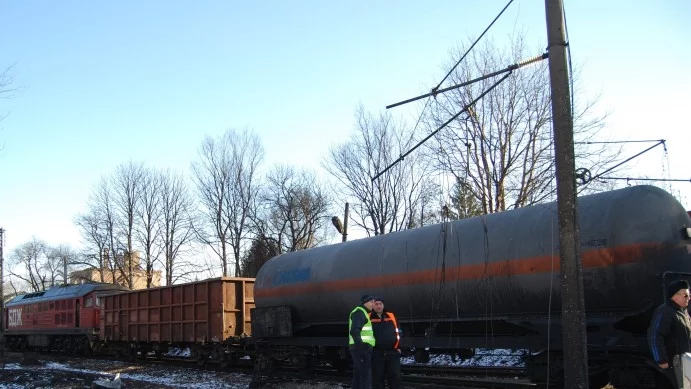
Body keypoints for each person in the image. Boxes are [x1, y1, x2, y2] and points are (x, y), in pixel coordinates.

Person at [648, 279, 691, 389]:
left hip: (684, 362)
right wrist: (662, 359)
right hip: (671, 365)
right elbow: (654, 336)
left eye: (689, 295)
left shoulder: (682, 311)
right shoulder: (665, 311)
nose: (689, 298)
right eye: (685, 295)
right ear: (674, 295)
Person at [370, 297, 401, 389]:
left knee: (395, 376)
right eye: (376, 304)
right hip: (377, 352)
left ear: (383, 305)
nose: (378, 306)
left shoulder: (391, 316)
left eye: (380, 304)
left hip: (392, 351)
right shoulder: (368, 317)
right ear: (373, 306)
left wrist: (398, 347)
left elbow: (398, 332)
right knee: (378, 377)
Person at [349, 294, 376, 389]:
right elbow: (354, 330)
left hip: (359, 348)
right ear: (365, 302)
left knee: (358, 376)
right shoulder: (359, 312)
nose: (373, 304)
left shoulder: (362, 312)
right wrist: (361, 346)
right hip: (361, 348)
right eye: (371, 302)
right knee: (365, 376)